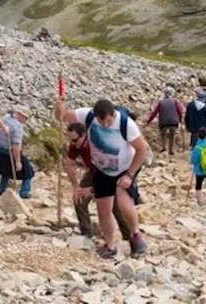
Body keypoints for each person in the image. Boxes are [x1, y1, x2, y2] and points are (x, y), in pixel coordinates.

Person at [57, 97, 149, 259]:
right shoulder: (88, 116)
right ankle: (110, 245)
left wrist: (130, 175)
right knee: (103, 209)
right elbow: (62, 117)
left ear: (113, 114)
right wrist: (59, 107)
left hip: (124, 168)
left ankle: (136, 234)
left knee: (123, 203)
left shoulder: (126, 124)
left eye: (108, 121)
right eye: (101, 122)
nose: (105, 125)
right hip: (101, 169)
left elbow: (141, 151)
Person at [65, 122, 133, 243]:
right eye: (71, 141)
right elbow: (69, 164)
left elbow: (107, 180)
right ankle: (87, 235)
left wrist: (92, 190)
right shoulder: (75, 144)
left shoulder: (99, 144)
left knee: (115, 206)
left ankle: (130, 238)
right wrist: (76, 187)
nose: (73, 144)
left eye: (75, 140)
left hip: (111, 172)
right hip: (94, 170)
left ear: (84, 135)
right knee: (79, 198)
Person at [0, 108, 34, 197]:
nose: (26, 120)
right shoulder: (18, 127)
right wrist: (18, 161)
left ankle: (2, 191)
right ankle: (24, 192)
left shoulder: (5, 118)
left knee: (6, 172)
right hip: (9, 152)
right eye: (25, 118)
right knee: (29, 170)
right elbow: (16, 146)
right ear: (20, 115)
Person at [146, 88, 184, 155]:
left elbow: (154, 113)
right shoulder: (175, 101)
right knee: (172, 135)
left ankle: (164, 148)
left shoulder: (161, 103)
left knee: (163, 134)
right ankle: (171, 150)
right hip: (174, 122)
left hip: (163, 122)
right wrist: (180, 119)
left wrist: (149, 121)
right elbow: (180, 111)